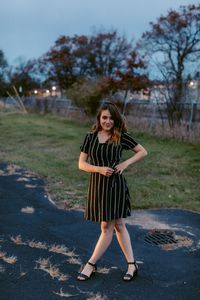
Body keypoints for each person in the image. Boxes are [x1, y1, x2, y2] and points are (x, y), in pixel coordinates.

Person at [77, 101, 147, 282]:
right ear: (99, 118)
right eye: (104, 118)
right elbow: (81, 164)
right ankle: (132, 265)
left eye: (111, 118)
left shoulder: (120, 136)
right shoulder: (90, 137)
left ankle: (91, 264)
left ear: (116, 120)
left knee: (107, 226)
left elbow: (142, 151)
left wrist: (125, 163)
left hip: (115, 186)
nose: (108, 121)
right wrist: (99, 169)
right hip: (97, 185)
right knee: (118, 225)